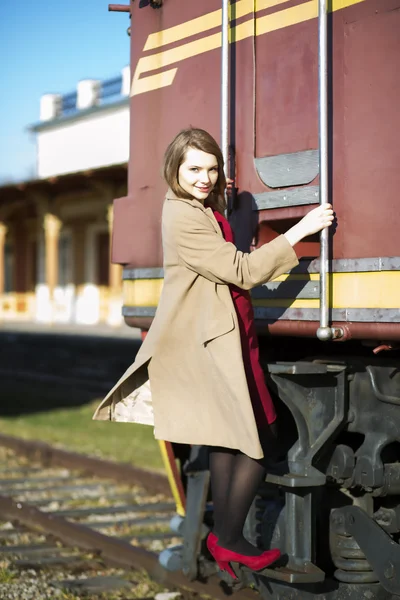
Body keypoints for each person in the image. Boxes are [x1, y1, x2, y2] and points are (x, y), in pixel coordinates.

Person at [93, 128, 334, 579]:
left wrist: (214, 196)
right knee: (258, 440)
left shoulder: (195, 206)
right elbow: (238, 268)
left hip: (227, 336)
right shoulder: (183, 215)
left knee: (227, 438)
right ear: (174, 171)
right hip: (209, 345)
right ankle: (230, 538)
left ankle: (224, 539)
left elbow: (217, 240)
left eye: (211, 169)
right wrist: (301, 229)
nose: (205, 178)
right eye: (194, 169)